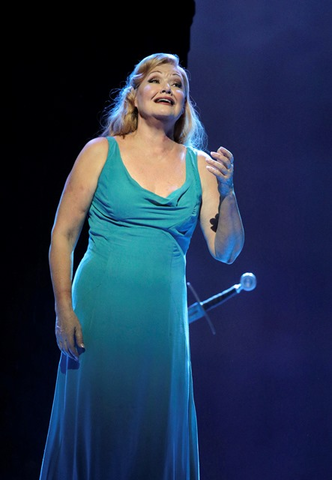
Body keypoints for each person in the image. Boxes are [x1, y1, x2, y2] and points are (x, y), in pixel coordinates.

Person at [39, 52, 244, 480]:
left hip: (160, 326)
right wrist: (63, 310)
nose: (168, 88)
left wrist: (227, 193)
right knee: (96, 427)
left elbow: (227, 251)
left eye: (177, 84)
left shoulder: (202, 168)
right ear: (133, 96)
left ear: (184, 104)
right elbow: (62, 236)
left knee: (153, 431)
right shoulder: (99, 153)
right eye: (156, 80)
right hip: (97, 315)